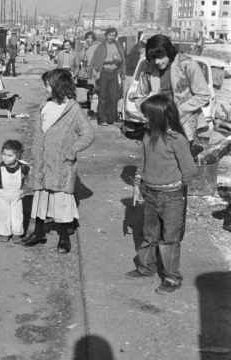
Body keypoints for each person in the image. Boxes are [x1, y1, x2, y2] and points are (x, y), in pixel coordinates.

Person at [125, 94, 198, 294]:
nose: (145, 119)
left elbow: (190, 170)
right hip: (150, 194)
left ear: (161, 116)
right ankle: (146, 267)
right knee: (149, 234)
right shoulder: (148, 136)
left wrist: (177, 186)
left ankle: (172, 278)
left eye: (148, 116)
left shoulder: (178, 140)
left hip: (172, 197)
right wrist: (138, 184)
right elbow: (143, 161)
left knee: (170, 239)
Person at [21, 69, 95, 253]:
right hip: (42, 161)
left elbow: (88, 134)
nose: (45, 88)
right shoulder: (45, 105)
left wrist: (72, 150)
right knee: (40, 197)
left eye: (48, 85)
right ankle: (38, 232)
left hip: (61, 165)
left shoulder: (73, 109)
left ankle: (63, 238)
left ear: (57, 86)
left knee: (60, 201)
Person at [140, 34, 211, 143]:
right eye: (153, 58)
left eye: (159, 57)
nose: (157, 62)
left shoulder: (187, 65)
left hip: (185, 125)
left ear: (168, 51)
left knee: (184, 157)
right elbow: (140, 95)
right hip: (159, 125)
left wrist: (179, 110)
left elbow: (203, 95)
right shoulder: (150, 68)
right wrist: (148, 111)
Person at [0, 140, 30, 243]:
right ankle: (5, 233)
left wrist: (26, 188)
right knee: (4, 214)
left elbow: (30, 179)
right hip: (3, 196)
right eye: (4, 154)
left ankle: (17, 233)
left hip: (17, 195)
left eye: (9, 155)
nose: (5, 158)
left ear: (17, 156)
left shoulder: (24, 167)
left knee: (17, 215)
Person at [91, 27, 126, 126]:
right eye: (110, 35)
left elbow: (122, 60)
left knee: (113, 96)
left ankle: (111, 118)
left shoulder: (117, 46)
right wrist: (95, 73)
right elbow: (96, 61)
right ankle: (102, 119)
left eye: (114, 35)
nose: (112, 37)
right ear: (106, 35)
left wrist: (119, 64)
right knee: (103, 96)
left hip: (114, 73)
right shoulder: (101, 46)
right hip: (104, 73)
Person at [78, 31, 100, 118]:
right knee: (91, 90)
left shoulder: (97, 46)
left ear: (94, 39)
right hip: (89, 72)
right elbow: (81, 58)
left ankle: (94, 111)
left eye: (91, 38)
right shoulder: (87, 47)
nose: (89, 39)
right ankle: (92, 108)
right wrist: (84, 48)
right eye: (87, 38)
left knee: (95, 92)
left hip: (97, 72)